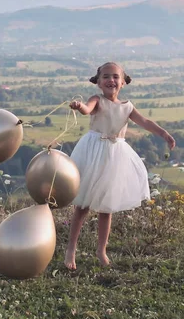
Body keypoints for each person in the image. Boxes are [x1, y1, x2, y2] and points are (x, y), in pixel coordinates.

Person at [64, 62, 175, 270]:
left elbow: (145, 121)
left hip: (114, 157)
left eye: (115, 77)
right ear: (98, 82)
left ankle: (101, 250)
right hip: (92, 152)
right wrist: (80, 107)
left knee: (107, 207)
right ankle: (71, 249)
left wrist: (163, 133)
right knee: (82, 206)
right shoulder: (97, 100)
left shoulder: (127, 107)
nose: (111, 80)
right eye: (106, 76)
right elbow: (88, 110)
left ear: (123, 82)